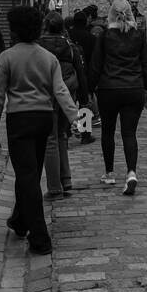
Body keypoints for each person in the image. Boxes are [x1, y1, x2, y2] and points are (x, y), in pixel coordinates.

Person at [0, 6, 84, 255]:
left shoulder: (7, 57)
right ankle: (20, 220)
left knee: (27, 175)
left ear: (16, 30)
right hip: (44, 118)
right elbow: (61, 91)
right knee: (30, 173)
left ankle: (40, 237)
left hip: (19, 119)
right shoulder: (47, 58)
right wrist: (75, 117)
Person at [89, 0, 147, 193]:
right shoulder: (139, 35)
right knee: (129, 133)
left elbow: (95, 65)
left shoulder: (105, 36)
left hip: (109, 88)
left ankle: (109, 173)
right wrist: (145, 86)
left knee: (108, 132)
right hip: (133, 88)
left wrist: (90, 88)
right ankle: (131, 172)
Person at [36, 12, 84, 201]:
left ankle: (55, 187)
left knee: (50, 139)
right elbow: (80, 70)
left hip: (47, 93)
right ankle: (66, 179)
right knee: (62, 135)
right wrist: (84, 96)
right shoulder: (69, 45)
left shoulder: (39, 46)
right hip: (67, 93)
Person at [68, 8, 99, 144]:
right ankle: (85, 133)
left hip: (69, 74)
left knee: (68, 102)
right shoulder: (91, 38)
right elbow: (94, 59)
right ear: (85, 22)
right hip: (85, 74)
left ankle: (66, 132)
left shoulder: (68, 35)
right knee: (84, 103)